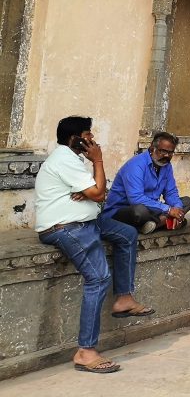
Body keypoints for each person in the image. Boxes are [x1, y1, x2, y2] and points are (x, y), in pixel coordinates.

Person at [34, 116, 154, 374]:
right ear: (73, 139)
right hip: (66, 226)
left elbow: (98, 193)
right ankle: (85, 351)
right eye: (87, 135)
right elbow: (99, 193)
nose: (92, 140)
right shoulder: (64, 158)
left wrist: (91, 191)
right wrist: (98, 162)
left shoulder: (74, 160)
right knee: (98, 278)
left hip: (87, 220)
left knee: (126, 234)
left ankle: (124, 298)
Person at [101, 131, 190, 233]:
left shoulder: (167, 166)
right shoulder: (136, 165)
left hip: (152, 208)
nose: (167, 155)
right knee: (139, 211)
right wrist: (169, 210)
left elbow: (171, 192)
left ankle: (153, 224)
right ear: (152, 147)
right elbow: (136, 199)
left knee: (186, 202)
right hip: (124, 210)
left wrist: (178, 211)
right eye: (163, 151)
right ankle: (163, 222)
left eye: (170, 152)